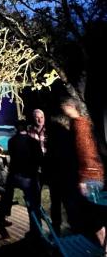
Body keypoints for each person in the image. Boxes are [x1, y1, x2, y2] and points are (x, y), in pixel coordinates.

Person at [61, 98, 106, 251]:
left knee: (94, 218)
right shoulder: (79, 124)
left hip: (90, 177)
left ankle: (104, 249)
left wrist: (84, 178)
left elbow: (85, 152)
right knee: (95, 216)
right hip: (92, 175)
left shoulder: (80, 125)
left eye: (65, 106)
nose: (62, 108)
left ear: (71, 107)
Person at [0, 120, 43, 236]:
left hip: (14, 175)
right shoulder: (33, 142)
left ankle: (4, 213)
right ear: (27, 128)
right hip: (29, 177)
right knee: (34, 205)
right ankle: (36, 230)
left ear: (16, 128)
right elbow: (40, 158)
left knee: (7, 192)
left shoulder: (11, 141)